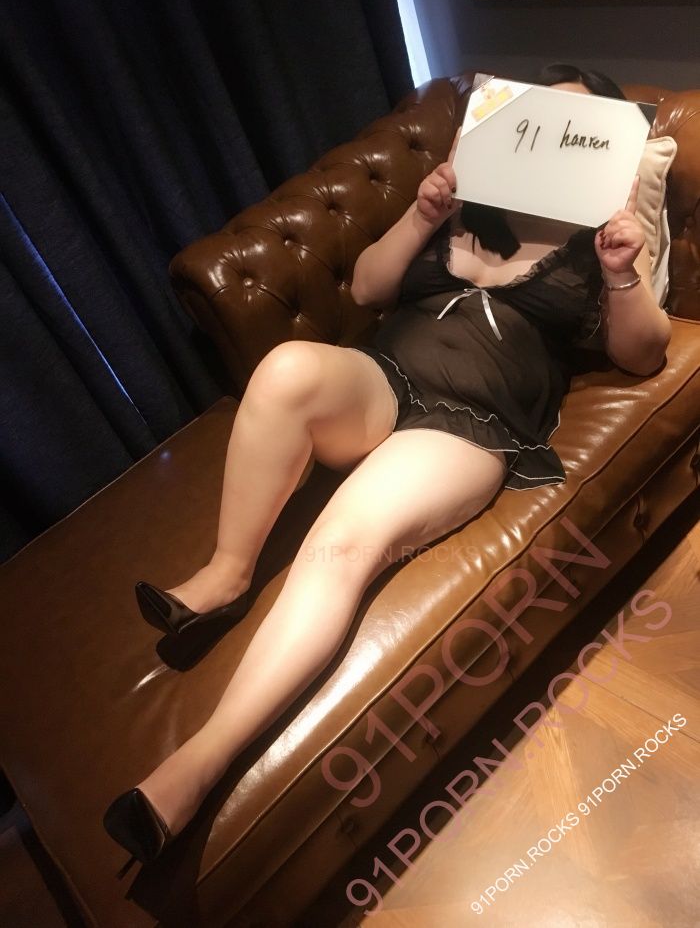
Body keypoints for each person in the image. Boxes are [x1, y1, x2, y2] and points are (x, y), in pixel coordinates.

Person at [103, 64, 672, 864]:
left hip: (470, 422)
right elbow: (370, 289)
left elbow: (643, 354)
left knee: (342, 542)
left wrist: (621, 272)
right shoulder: (467, 203)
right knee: (285, 370)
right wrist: (423, 211)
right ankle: (227, 575)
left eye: (571, 131)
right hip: (383, 378)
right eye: (537, 120)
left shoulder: (598, 239)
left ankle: (198, 764)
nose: (548, 140)